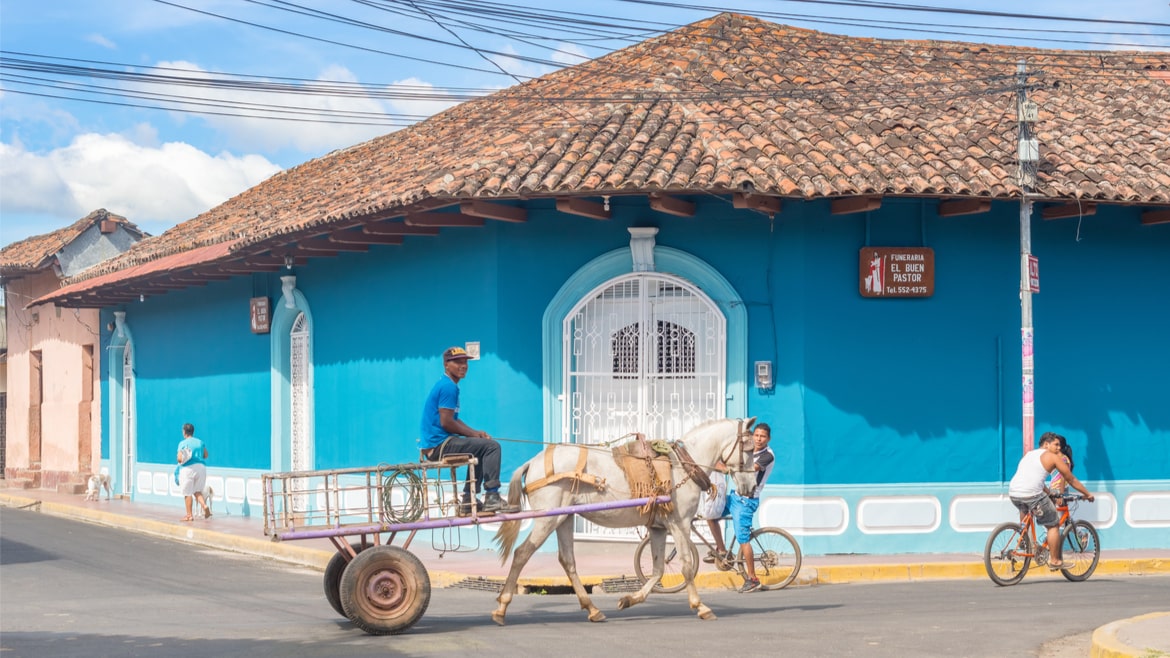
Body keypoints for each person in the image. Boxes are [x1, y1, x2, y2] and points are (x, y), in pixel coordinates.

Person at [419, 346, 518, 515]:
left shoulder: (448, 385)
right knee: (492, 447)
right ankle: (492, 496)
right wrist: (473, 434)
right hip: (439, 445)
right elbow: (446, 423)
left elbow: (453, 420)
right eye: (458, 362)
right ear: (446, 365)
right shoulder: (448, 387)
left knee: (482, 446)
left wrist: (476, 433)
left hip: (439, 442)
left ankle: (468, 499)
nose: (463, 365)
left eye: (465, 362)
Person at [703, 422, 775, 593]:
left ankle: (752, 578)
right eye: (756, 435)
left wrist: (724, 468)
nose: (758, 439)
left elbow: (751, 469)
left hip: (747, 501)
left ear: (768, 439)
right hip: (735, 496)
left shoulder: (768, 455)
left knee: (743, 540)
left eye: (762, 436)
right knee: (710, 514)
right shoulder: (748, 450)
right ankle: (721, 550)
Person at [1007, 431, 1094, 569]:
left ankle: (1024, 540)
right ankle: (1055, 561)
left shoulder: (1029, 454)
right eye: (1056, 445)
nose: (1059, 448)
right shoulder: (1052, 457)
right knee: (1053, 524)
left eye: (1060, 445)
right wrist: (1087, 494)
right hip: (1031, 494)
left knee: (1025, 508)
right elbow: (1070, 479)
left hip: (1014, 493)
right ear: (1046, 444)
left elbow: (1035, 479)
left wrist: (1050, 493)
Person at [177, 423, 212, 522]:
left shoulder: (182, 443)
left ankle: (189, 515)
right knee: (197, 491)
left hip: (188, 469)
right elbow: (206, 455)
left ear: (184, 432)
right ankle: (204, 506)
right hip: (201, 468)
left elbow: (179, 459)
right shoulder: (200, 442)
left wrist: (182, 458)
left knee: (187, 493)